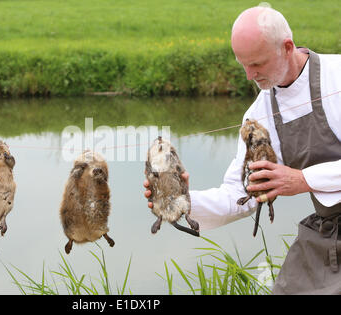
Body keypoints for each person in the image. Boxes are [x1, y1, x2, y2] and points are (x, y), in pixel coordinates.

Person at [143, 6, 341, 294]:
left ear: (287, 47)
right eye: (243, 64)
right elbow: (240, 194)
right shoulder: (259, 114)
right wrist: (181, 200)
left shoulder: (338, 77)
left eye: (257, 64)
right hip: (328, 235)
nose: (249, 75)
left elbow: (298, 180)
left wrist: (302, 180)